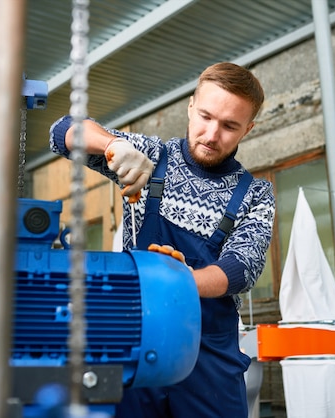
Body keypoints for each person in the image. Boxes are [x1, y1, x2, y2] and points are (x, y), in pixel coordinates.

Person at [49, 62, 275, 418]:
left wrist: (181, 279)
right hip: (136, 343)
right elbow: (62, 131)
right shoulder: (152, 157)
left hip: (209, 359)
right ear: (190, 106)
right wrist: (113, 146)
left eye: (229, 125)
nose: (212, 134)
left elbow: (242, 267)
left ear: (248, 129)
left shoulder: (256, 194)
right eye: (205, 116)